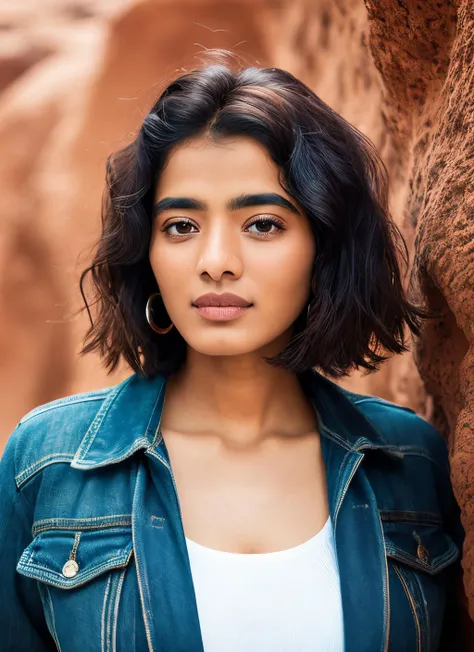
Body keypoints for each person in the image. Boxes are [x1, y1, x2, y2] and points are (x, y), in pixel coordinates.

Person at [0, 52, 465, 652]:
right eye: (181, 227)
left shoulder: (409, 463)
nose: (215, 260)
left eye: (263, 224)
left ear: (324, 244)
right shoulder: (49, 465)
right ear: (148, 250)